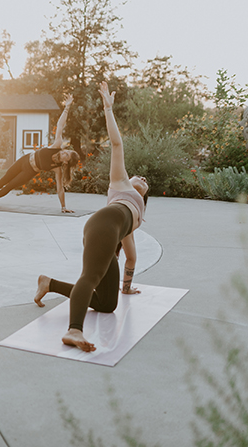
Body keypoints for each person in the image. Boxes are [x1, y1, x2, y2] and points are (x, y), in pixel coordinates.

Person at [33, 82, 149, 352]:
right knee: (91, 276)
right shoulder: (121, 184)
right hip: (102, 223)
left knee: (108, 304)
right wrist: (108, 108)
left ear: (145, 195)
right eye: (138, 176)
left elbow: (131, 257)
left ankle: (49, 283)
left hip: (112, 234)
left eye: (146, 181)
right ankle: (74, 330)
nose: (142, 178)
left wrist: (127, 287)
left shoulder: (136, 216)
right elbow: (117, 143)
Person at [0, 94, 80, 213]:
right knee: (4, 179)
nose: (65, 151)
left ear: (66, 162)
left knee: (9, 186)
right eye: (68, 151)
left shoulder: (57, 169)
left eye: (67, 155)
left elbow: (60, 188)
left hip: (29, 171)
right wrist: (67, 107)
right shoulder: (57, 145)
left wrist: (63, 207)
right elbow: (60, 125)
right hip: (24, 160)